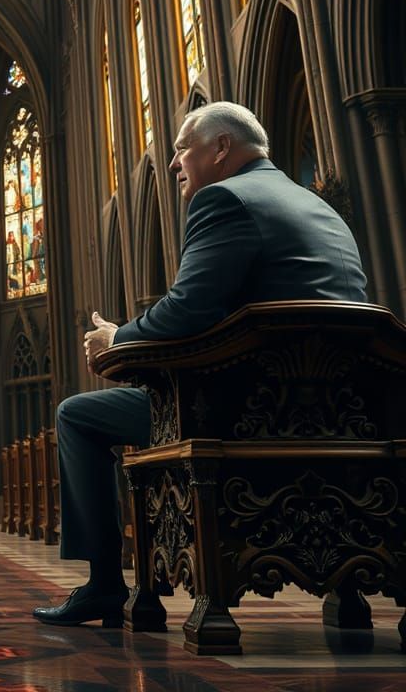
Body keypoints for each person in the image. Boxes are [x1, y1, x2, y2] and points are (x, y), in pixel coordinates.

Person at [34, 102, 367, 628]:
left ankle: (103, 586)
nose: (173, 164)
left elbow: (187, 312)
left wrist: (116, 337)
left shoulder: (224, 199)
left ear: (221, 148)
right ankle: (350, 592)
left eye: (182, 148)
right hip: (341, 413)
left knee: (77, 414)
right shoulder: (317, 204)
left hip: (242, 409)